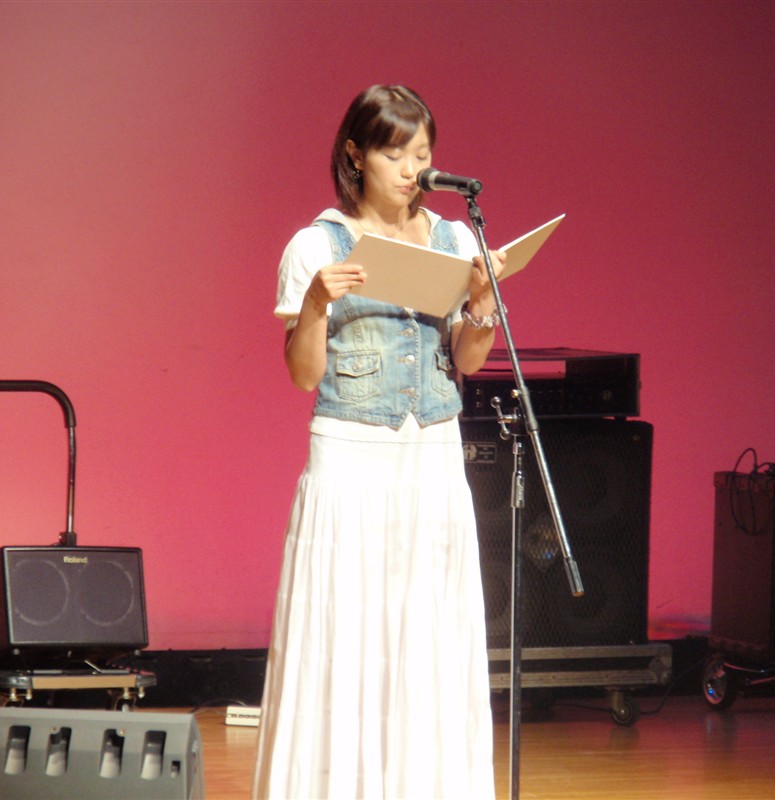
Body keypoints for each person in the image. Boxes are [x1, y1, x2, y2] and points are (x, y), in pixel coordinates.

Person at [252, 84, 504, 800]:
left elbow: (469, 358)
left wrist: (481, 303)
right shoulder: (317, 245)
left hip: (432, 452)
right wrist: (315, 303)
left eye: (422, 154)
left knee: (426, 630)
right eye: (396, 154)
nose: (412, 169)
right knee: (348, 632)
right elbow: (304, 376)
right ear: (356, 155)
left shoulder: (454, 239)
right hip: (352, 457)